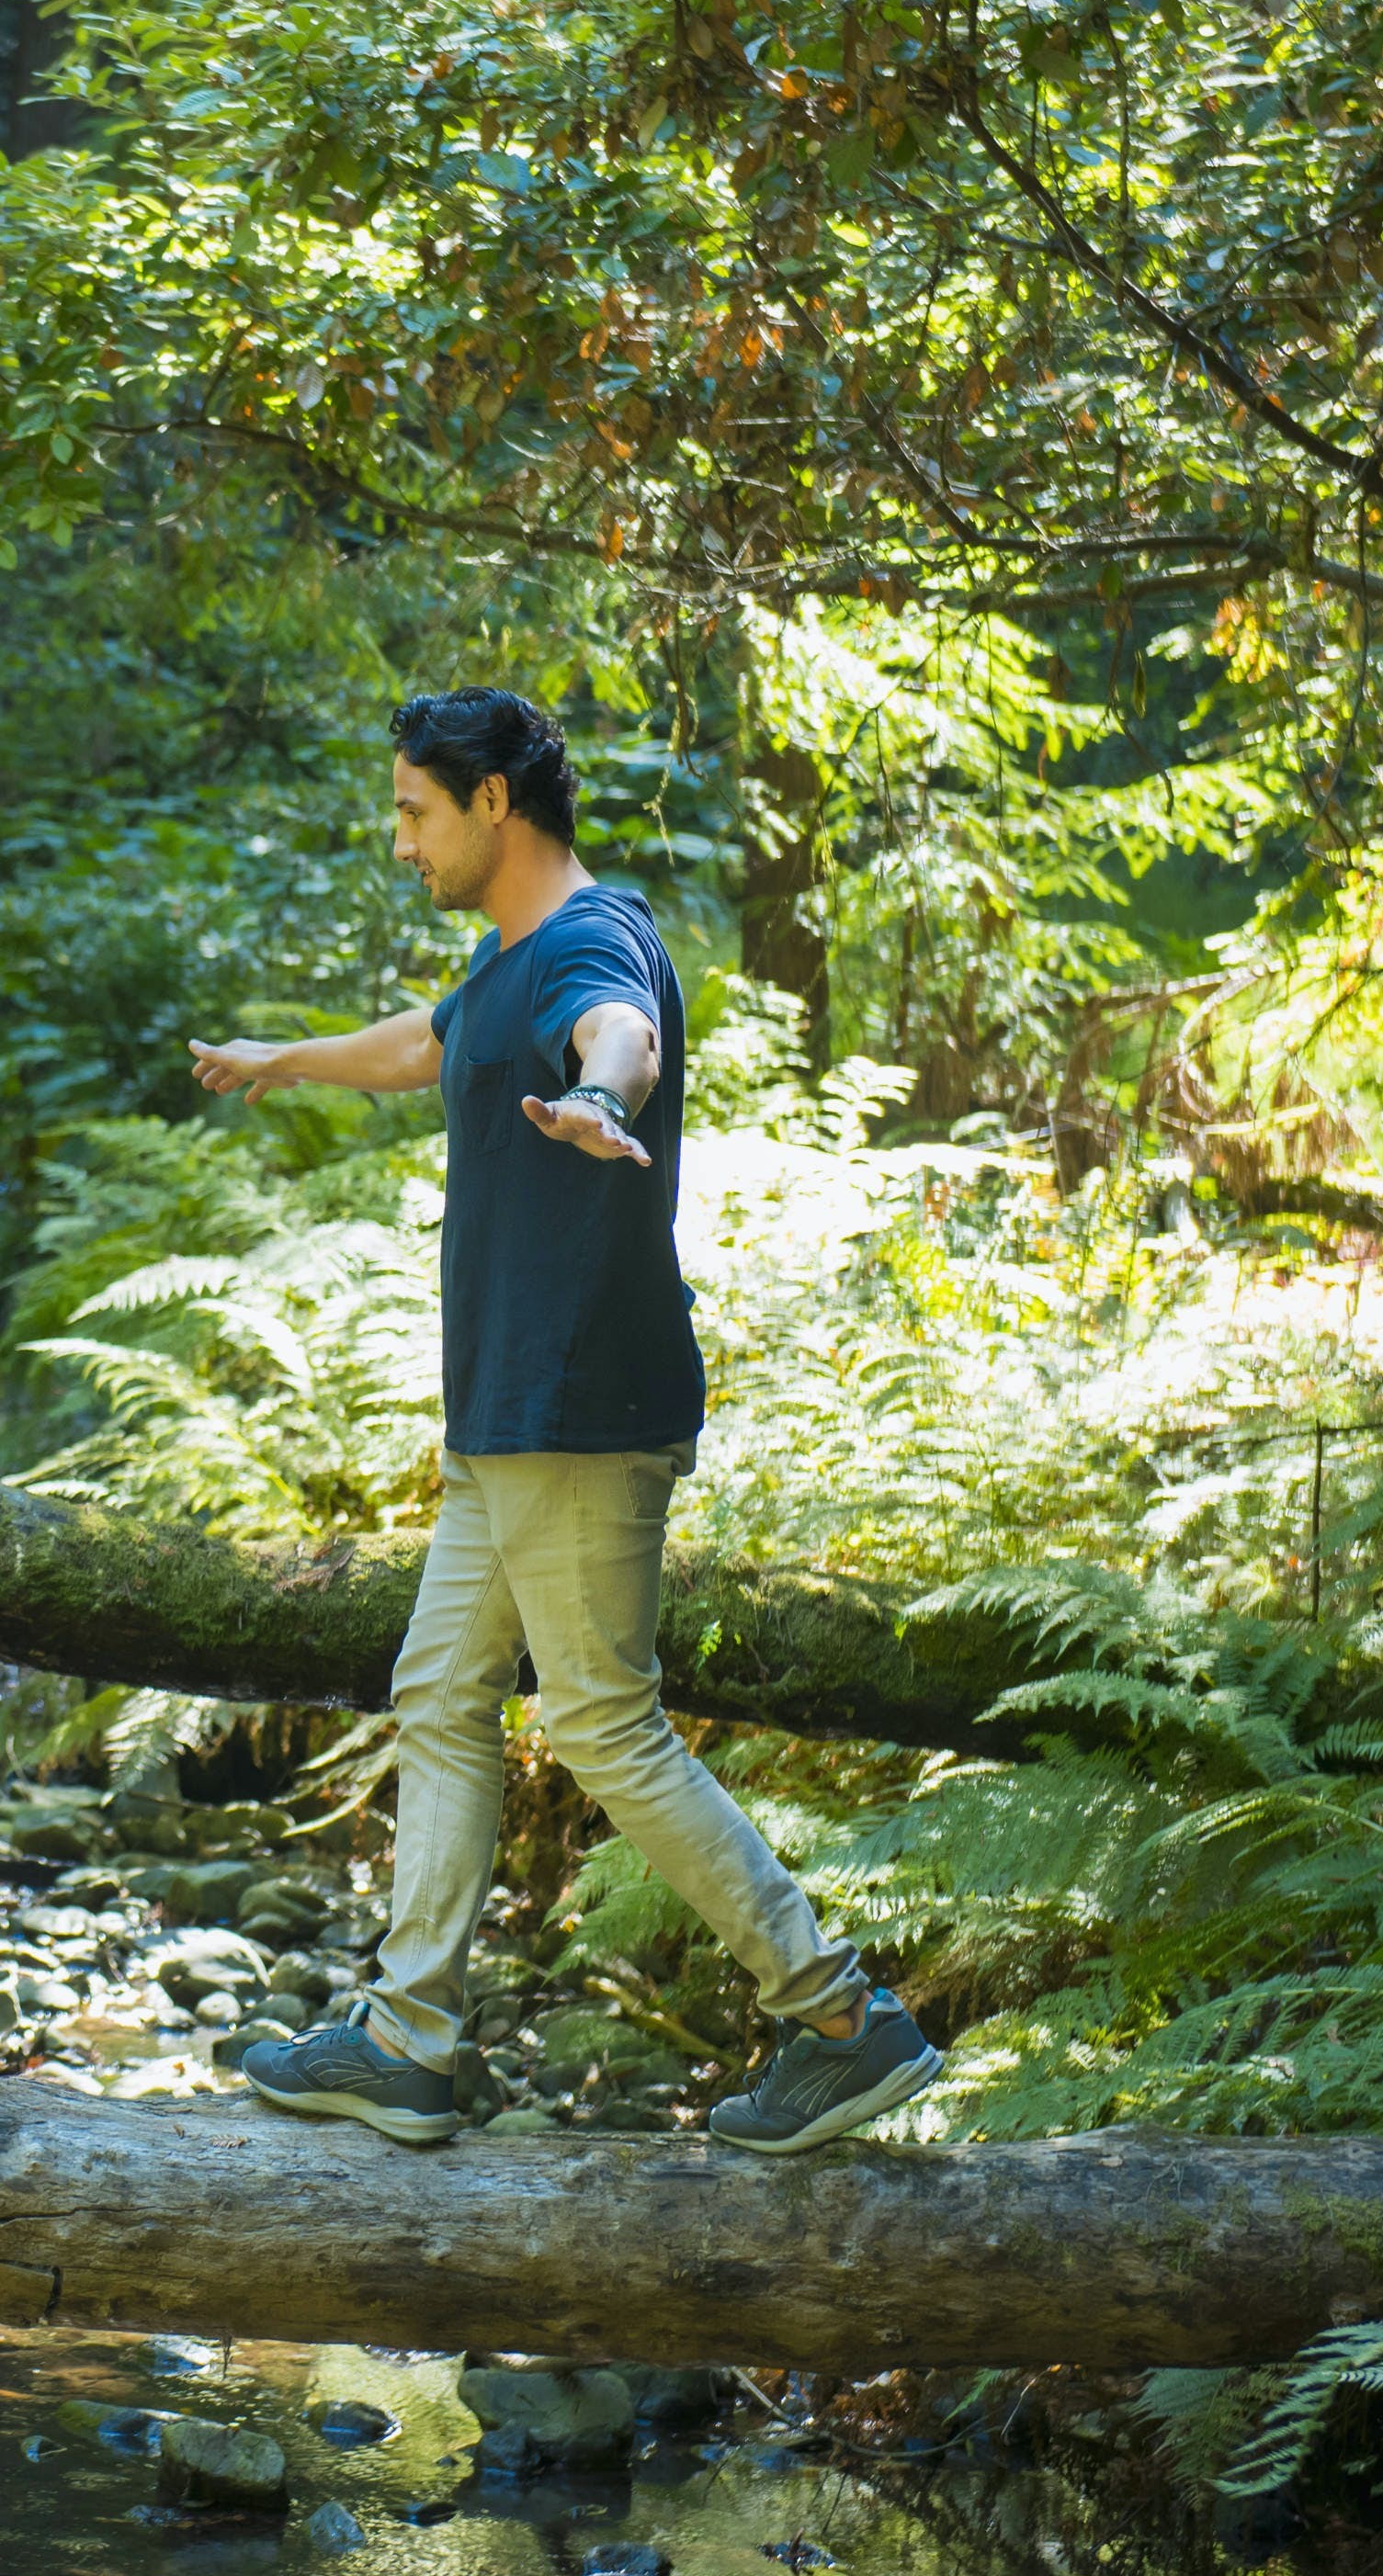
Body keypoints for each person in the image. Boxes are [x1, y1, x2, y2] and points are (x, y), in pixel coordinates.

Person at [190, 684, 939, 2155]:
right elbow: (428, 1042)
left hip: (575, 1412)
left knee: (602, 1720)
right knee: (443, 1690)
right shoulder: (509, 957)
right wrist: (281, 1058)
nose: (398, 839)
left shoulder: (589, 946)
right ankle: (407, 2039)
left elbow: (623, 1036)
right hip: (509, 1423)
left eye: (414, 809)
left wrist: (604, 1096)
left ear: (491, 804)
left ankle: (847, 2019)